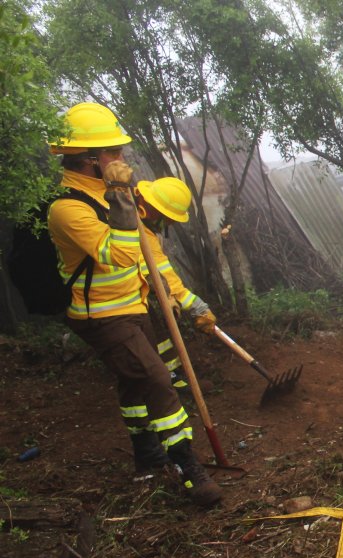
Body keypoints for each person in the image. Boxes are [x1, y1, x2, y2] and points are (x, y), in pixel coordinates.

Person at [46, 102, 222, 506]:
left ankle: (145, 454)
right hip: (102, 318)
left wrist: (189, 303)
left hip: (133, 308)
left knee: (135, 380)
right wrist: (121, 196)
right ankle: (187, 467)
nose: (123, 160)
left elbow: (154, 260)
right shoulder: (69, 209)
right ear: (93, 160)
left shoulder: (115, 198)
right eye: (117, 153)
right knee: (158, 381)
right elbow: (123, 254)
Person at [136, 176, 218, 388]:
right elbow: (160, 274)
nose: (170, 223)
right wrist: (196, 307)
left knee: (161, 324)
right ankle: (163, 379)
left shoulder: (142, 226)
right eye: (169, 218)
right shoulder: (136, 231)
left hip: (136, 290)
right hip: (118, 298)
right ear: (153, 209)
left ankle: (171, 373)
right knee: (149, 329)